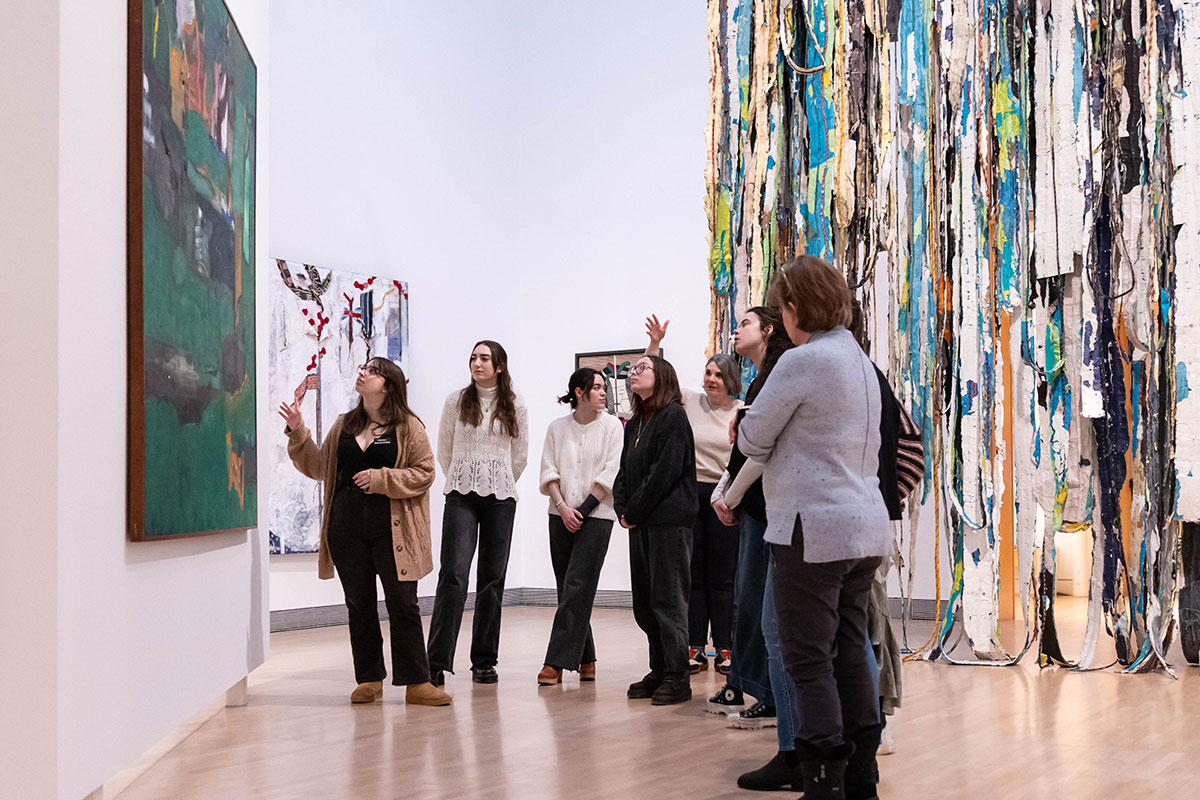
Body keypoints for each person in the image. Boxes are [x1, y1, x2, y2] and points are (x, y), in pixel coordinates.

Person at [739, 255, 892, 800]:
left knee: (808, 659)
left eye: (782, 307)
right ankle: (861, 778)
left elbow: (752, 441)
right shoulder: (859, 360)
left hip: (812, 530)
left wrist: (743, 420)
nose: (781, 318)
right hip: (864, 528)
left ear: (798, 306)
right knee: (850, 648)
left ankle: (822, 782)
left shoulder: (804, 361)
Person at [279, 357, 451, 707]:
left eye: (371, 371)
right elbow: (317, 466)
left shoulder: (408, 426)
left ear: (388, 385)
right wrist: (298, 431)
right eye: (362, 368)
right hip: (345, 529)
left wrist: (382, 478)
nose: (362, 373)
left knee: (403, 603)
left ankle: (417, 681)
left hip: (394, 530)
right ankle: (369, 678)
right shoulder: (344, 424)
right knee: (358, 605)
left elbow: (425, 472)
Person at [426, 341, 529, 685]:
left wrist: (497, 479)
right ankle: (436, 661)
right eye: (473, 357)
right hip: (460, 496)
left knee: (492, 579)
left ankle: (484, 660)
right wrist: (465, 475)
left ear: (499, 365)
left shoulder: (515, 404)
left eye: (484, 358)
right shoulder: (456, 401)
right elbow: (443, 449)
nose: (477, 363)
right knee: (453, 575)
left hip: (501, 498)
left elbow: (520, 456)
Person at [644, 315, 742, 675]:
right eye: (707, 373)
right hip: (690, 494)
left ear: (730, 380)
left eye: (718, 375)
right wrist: (655, 344)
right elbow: (653, 379)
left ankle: (727, 647)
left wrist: (728, 498)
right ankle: (695, 647)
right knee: (693, 575)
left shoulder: (741, 410)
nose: (711, 379)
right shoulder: (690, 402)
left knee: (723, 576)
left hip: (724, 496)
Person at [613, 355, 698, 706]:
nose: (633, 373)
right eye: (631, 369)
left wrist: (634, 509)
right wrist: (621, 507)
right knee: (645, 602)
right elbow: (623, 471)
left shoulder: (673, 416)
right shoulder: (635, 422)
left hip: (668, 521)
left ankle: (678, 675)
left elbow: (664, 473)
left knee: (668, 599)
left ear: (662, 377)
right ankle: (659, 668)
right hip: (641, 521)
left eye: (641, 368)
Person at [536, 367, 623, 685]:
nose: (603, 393)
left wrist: (583, 511)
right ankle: (587, 658)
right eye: (597, 388)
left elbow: (611, 471)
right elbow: (548, 470)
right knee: (568, 589)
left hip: (596, 517)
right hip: (559, 515)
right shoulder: (557, 427)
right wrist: (562, 507)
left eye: (604, 388)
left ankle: (555, 662)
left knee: (576, 586)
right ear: (579, 393)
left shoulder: (613, 427)